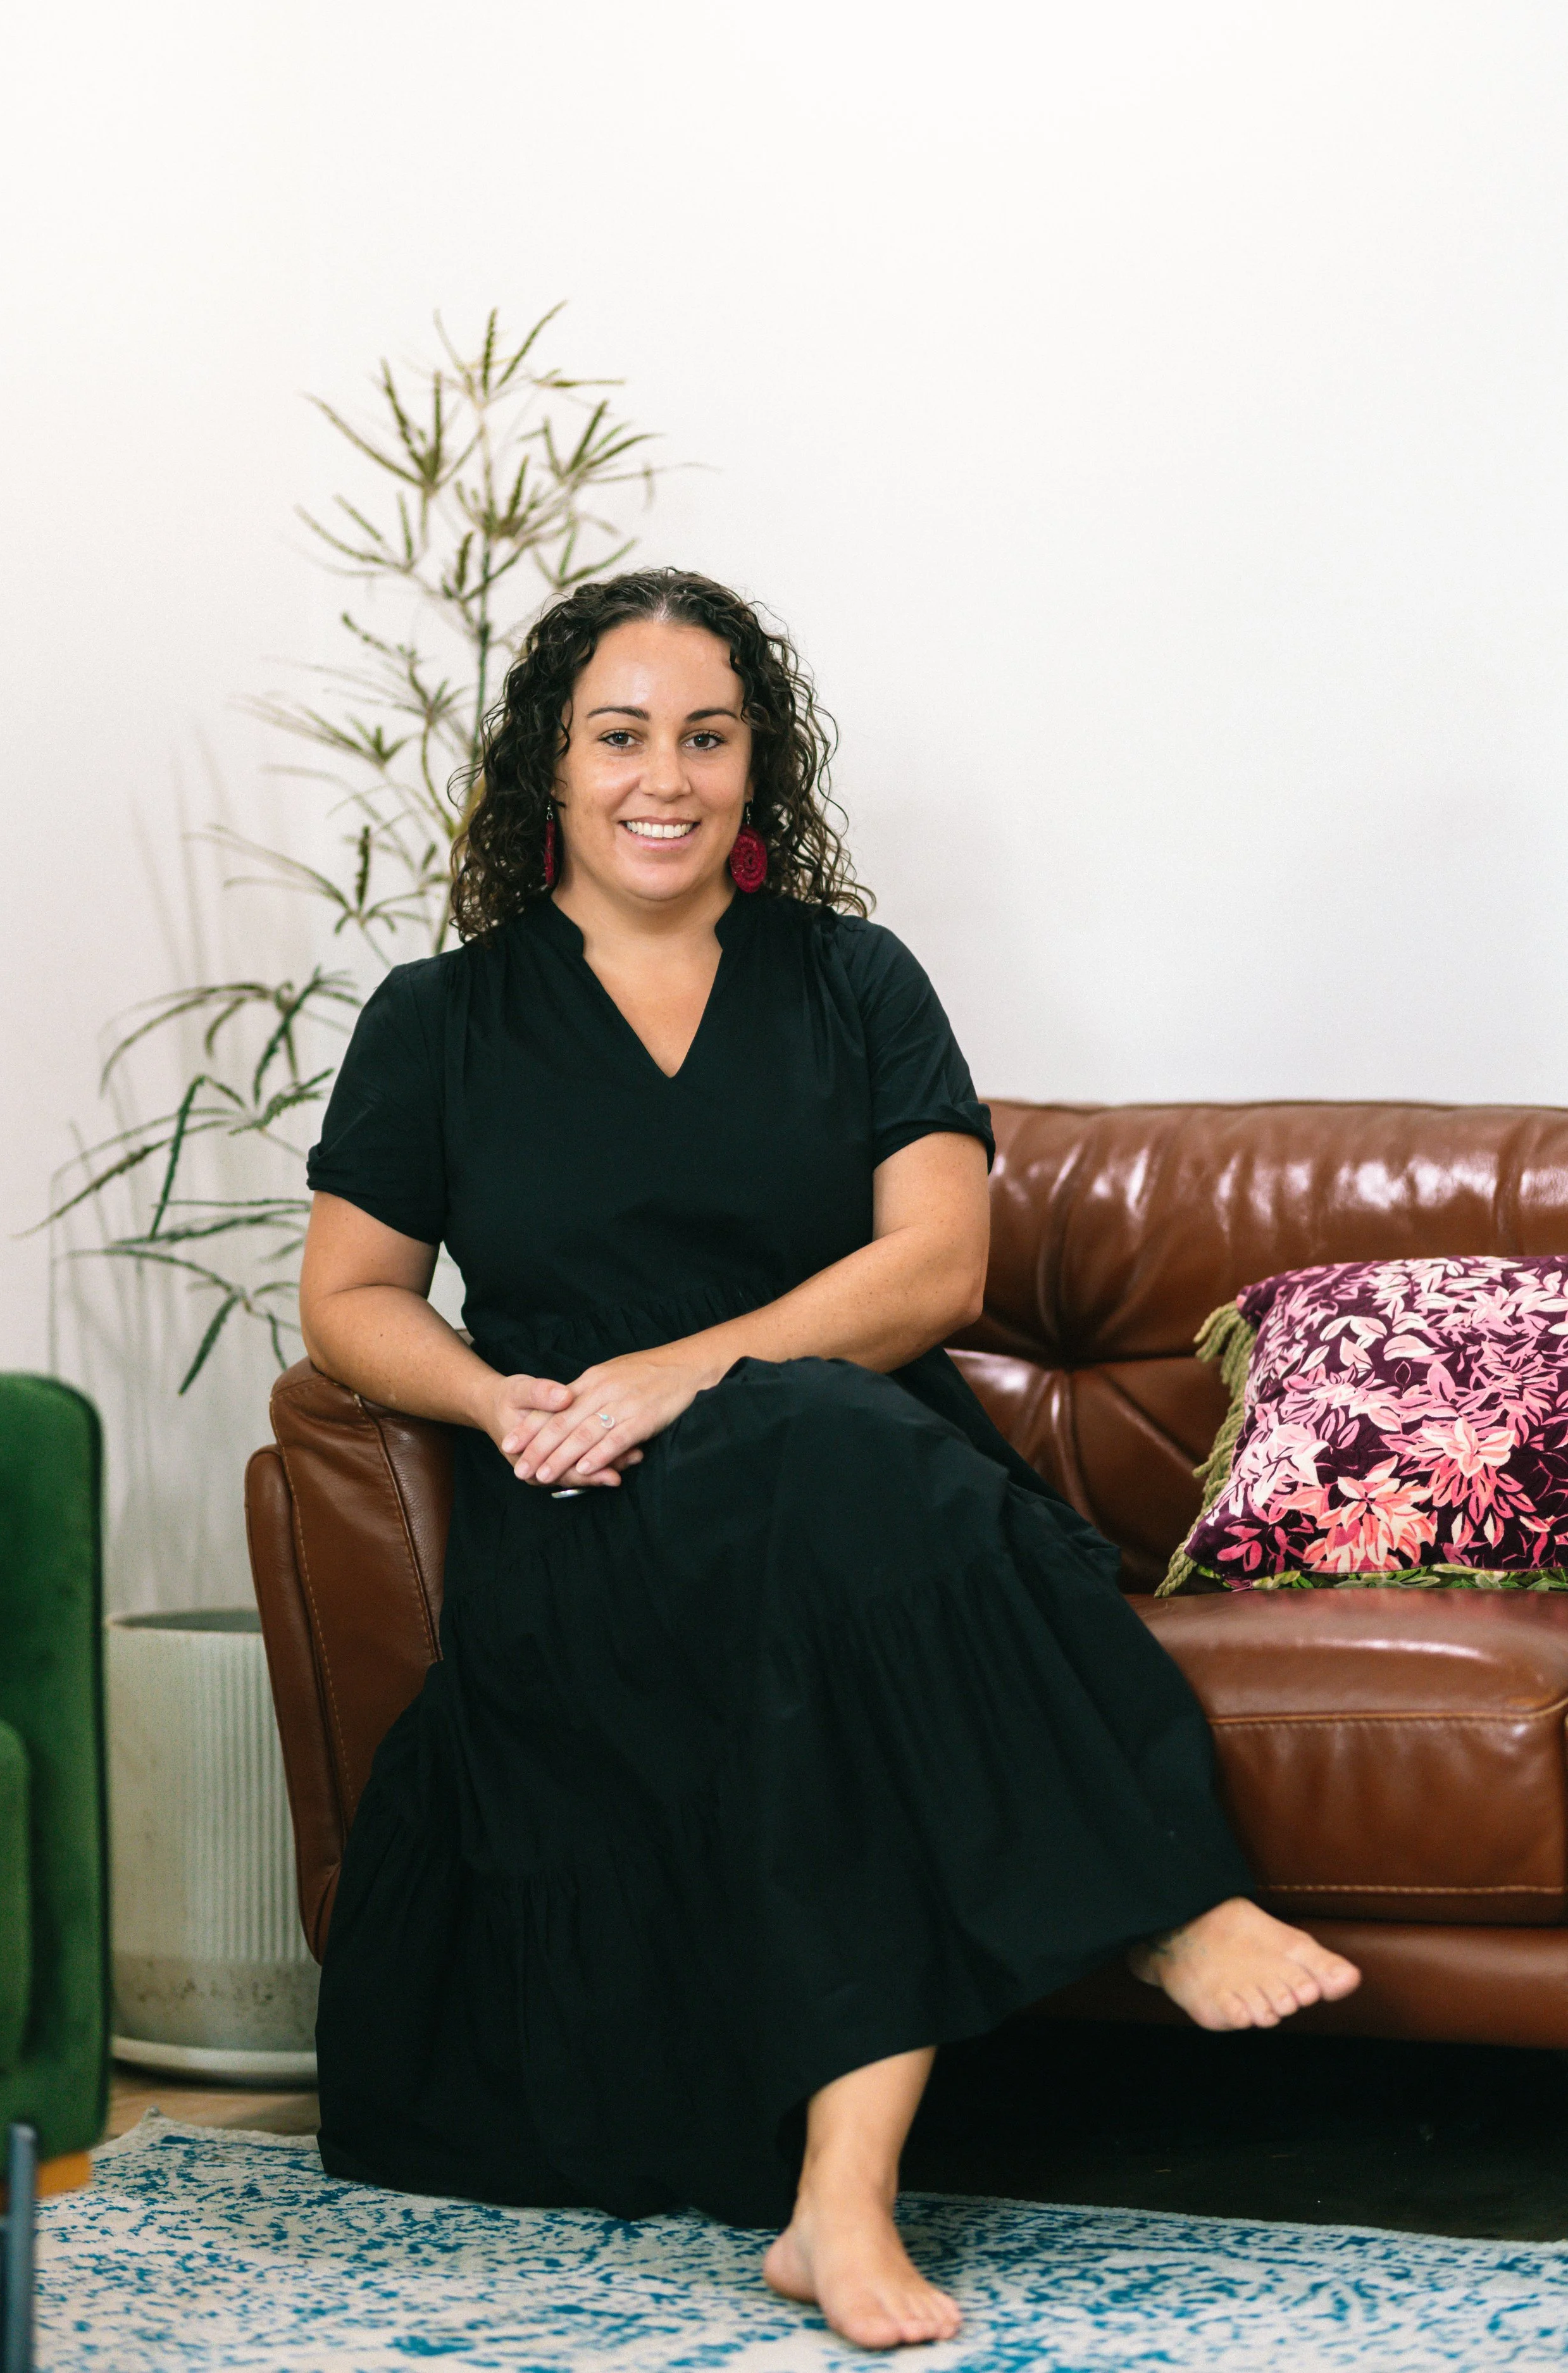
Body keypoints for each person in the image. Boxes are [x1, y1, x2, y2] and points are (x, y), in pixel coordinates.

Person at [299, 569, 1360, 2351]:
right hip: (595, 1512)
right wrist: (507, 1405)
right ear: (545, 771)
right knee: (821, 1523)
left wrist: (674, 1371)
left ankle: (838, 2208)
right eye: (619, 734)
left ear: (755, 769)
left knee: (820, 1487)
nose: (666, 773)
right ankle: (1155, 1897)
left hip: (873, 1482)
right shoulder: (439, 1016)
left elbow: (932, 1270)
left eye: (708, 736)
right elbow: (350, 1298)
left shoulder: (855, 979)